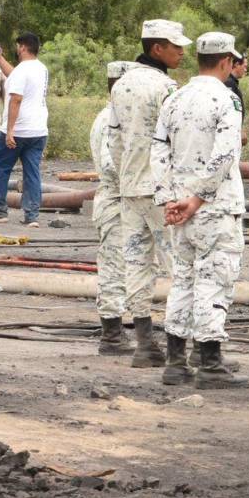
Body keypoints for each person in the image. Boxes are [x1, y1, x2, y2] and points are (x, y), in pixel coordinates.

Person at [151, 32, 249, 389]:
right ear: (226, 61)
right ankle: (210, 362)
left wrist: (169, 199)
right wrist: (199, 198)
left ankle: (175, 361)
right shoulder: (227, 100)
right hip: (215, 207)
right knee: (214, 282)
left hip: (179, 207)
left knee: (183, 280)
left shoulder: (174, 99)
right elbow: (225, 155)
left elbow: (158, 150)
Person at [106, 19, 192, 368]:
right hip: (161, 191)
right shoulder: (166, 88)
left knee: (137, 264)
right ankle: (185, 350)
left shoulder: (121, 86)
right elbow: (178, 141)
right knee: (181, 265)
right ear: (157, 48)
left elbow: (113, 142)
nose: (182, 52)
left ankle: (144, 344)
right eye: (176, 46)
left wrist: (126, 174)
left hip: (130, 189)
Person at [91, 61, 138, 355]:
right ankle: (111, 335)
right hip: (116, 201)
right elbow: (113, 168)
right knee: (113, 267)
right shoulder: (110, 121)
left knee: (128, 267)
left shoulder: (117, 117)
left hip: (124, 201)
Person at [0, 33, 49, 227]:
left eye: (18, 46)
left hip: (18, 130)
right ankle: (32, 215)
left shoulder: (22, 70)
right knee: (32, 172)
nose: (17, 49)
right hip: (38, 130)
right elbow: (13, 75)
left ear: (23, 47)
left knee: (1, 168)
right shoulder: (41, 69)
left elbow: (15, 99)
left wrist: (9, 131)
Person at [225, 52, 248, 146]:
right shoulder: (228, 83)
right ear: (237, 64)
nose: (246, 70)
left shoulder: (232, 83)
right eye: (245, 66)